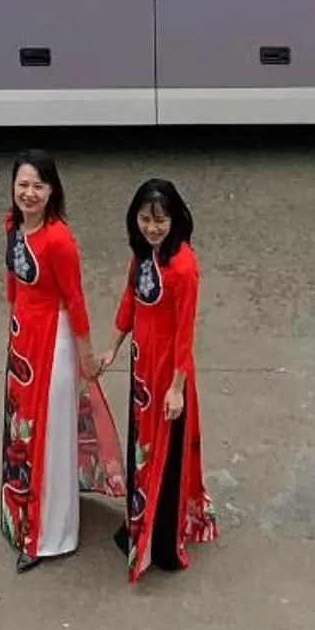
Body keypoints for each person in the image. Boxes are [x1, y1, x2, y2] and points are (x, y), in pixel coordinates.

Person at [87, 178, 217, 582]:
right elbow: (130, 302)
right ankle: (138, 522)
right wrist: (113, 347)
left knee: (165, 452)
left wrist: (177, 388)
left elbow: (184, 332)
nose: (153, 227)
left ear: (175, 219)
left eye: (160, 220)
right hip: (142, 371)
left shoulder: (184, 267)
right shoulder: (143, 256)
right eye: (145, 219)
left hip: (167, 376)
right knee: (141, 447)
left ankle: (163, 541)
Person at [0, 151, 120, 572]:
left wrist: (86, 356)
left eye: (38, 186)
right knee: (23, 430)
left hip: (54, 342)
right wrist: (13, 317)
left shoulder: (59, 241)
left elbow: (76, 299)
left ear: (53, 191)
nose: (29, 193)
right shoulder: (13, 226)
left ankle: (50, 536)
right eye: (23, 184)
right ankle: (24, 516)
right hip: (23, 341)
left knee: (48, 435)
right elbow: (12, 280)